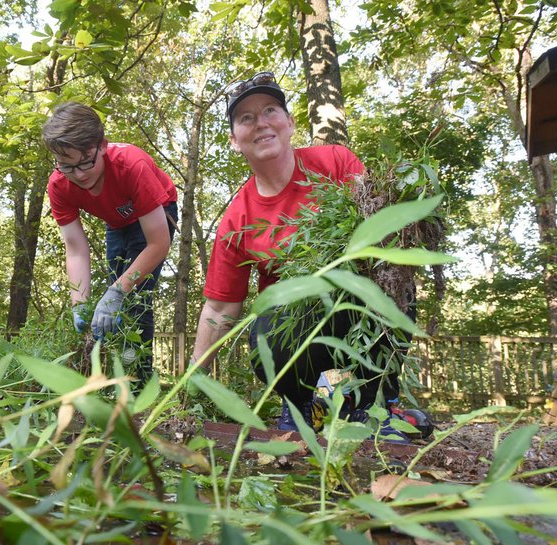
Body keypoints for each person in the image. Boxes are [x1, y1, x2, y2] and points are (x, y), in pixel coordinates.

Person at [189, 72, 427, 440]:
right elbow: (219, 310)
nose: (261, 122)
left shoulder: (336, 164)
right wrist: (192, 383)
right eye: (246, 118)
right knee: (266, 332)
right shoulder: (238, 219)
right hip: (298, 333)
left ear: (290, 123)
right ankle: (306, 403)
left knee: (393, 282)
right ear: (235, 140)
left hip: (356, 313)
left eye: (270, 110)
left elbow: (382, 238)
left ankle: (371, 403)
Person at [42, 102, 178, 382]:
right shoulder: (58, 185)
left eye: (86, 162)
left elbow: (158, 244)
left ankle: (139, 381)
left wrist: (118, 293)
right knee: (109, 299)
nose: (79, 175)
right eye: (67, 166)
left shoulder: (132, 166)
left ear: (101, 146)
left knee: (132, 298)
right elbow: (76, 250)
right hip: (117, 221)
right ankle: (108, 375)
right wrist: (79, 302)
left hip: (157, 212)